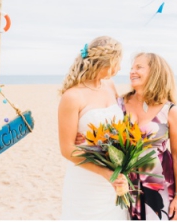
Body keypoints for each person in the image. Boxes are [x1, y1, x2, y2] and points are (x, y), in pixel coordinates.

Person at [58, 36, 129, 219]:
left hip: (114, 178)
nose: (120, 68)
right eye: (118, 62)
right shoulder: (72, 97)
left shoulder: (110, 85)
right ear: (107, 62)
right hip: (86, 180)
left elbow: (119, 125)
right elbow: (67, 150)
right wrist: (106, 173)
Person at [121, 52, 177, 220]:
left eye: (139, 67)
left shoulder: (170, 111)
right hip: (124, 185)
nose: (132, 72)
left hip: (160, 187)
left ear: (155, 72)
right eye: (131, 68)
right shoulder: (119, 103)